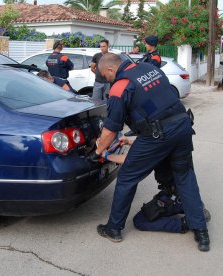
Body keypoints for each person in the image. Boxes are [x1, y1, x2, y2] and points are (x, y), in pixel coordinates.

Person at [90, 53, 210, 252]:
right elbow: (154, 106)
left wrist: (99, 150)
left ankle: (114, 228)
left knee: (127, 177)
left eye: (105, 75)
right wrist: (132, 137)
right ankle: (201, 233)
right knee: (185, 176)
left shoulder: (120, 86)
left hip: (159, 135)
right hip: (183, 125)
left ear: (111, 69)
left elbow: (110, 130)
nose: (107, 80)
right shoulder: (150, 69)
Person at [102, 137, 211, 234]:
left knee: (139, 221)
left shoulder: (156, 148)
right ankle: (195, 208)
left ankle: (185, 223)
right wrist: (128, 141)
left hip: (173, 197)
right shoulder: (173, 139)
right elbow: (150, 144)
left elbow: (131, 160)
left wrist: (107, 155)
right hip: (186, 194)